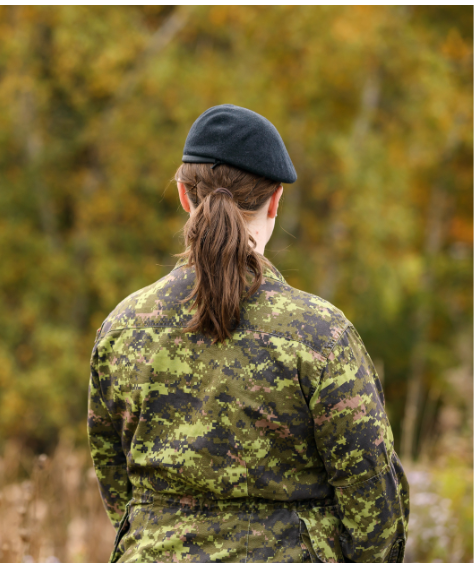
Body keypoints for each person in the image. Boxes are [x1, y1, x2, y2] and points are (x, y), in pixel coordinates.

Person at [87, 105, 409, 563]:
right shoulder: (320, 334)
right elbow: (375, 505)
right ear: (275, 200)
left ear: (183, 194)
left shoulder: (121, 327)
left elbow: (118, 487)